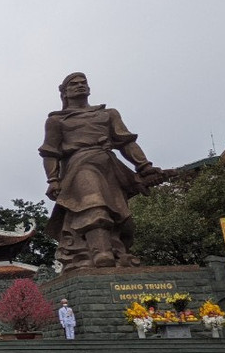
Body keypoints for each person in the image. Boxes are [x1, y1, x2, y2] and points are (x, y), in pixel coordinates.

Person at [39, 72, 168, 271]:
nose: (80, 86)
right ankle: (101, 252)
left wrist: (144, 167)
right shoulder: (57, 121)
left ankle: (117, 251)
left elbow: (126, 143)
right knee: (93, 203)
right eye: (74, 84)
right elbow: (50, 152)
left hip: (110, 166)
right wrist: (53, 180)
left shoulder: (108, 114)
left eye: (84, 83)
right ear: (65, 92)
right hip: (80, 165)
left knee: (119, 214)